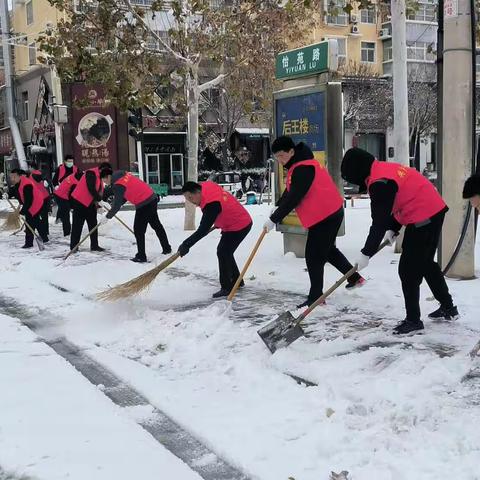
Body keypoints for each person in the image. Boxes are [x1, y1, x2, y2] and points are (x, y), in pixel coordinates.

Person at [341, 147, 458, 335]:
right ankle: (448, 307)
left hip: (423, 216)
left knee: (408, 269)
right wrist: (393, 227)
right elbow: (401, 197)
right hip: (430, 210)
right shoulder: (382, 169)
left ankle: (413, 320)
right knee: (425, 263)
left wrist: (366, 253)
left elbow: (378, 222)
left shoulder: (380, 182)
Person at [263, 136, 364, 309]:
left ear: (292, 151)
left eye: (282, 155)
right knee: (328, 250)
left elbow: (295, 196)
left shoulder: (303, 168)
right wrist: (277, 208)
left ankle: (316, 297)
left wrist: (274, 219)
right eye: (276, 157)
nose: (279, 160)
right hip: (328, 212)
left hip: (326, 215)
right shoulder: (300, 165)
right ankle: (354, 277)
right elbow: (290, 191)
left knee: (313, 255)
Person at [179, 181, 252, 298]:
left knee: (223, 252)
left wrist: (186, 244)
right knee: (226, 251)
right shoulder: (206, 186)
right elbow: (221, 202)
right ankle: (237, 281)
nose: (190, 201)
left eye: (190, 197)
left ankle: (226, 287)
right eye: (187, 198)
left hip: (239, 224)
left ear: (198, 192)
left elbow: (202, 230)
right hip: (234, 221)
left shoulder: (211, 204)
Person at [99, 170, 171, 262]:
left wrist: (107, 217)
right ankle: (167, 248)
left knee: (138, 230)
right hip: (151, 197)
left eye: (104, 180)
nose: (104, 182)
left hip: (144, 202)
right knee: (156, 225)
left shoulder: (118, 184)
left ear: (108, 176)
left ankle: (141, 256)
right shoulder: (123, 176)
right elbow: (125, 194)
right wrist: (117, 204)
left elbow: (117, 204)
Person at [70, 162, 112, 253]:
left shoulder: (99, 177)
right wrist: (99, 200)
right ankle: (74, 246)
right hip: (79, 202)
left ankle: (94, 245)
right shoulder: (91, 173)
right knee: (77, 225)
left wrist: (99, 204)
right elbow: (91, 188)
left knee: (93, 224)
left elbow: (99, 191)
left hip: (90, 204)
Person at [9, 169, 48, 248]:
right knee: (36, 221)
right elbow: (17, 193)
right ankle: (44, 238)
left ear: (20, 176)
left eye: (14, 177)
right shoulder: (18, 183)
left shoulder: (27, 184)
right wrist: (8, 194)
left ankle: (29, 243)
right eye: (11, 177)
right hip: (31, 203)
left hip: (36, 203)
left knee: (30, 222)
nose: (12, 179)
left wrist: (22, 212)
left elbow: (29, 201)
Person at [53, 169, 84, 237]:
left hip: (58, 194)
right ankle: (67, 233)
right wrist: (73, 206)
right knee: (66, 214)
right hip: (61, 196)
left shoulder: (73, 176)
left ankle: (59, 218)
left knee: (64, 210)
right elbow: (72, 195)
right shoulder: (75, 182)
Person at [29, 164, 51, 236]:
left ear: (32, 168)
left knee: (39, 215)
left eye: (30, 167)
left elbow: (43, 176)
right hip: (43, 197)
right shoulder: (33, 175)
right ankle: (45, 231)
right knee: (43, 216)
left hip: (42, 198)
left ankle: (43, 231)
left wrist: (44, 179)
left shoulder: (35, 174)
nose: (29, 169)